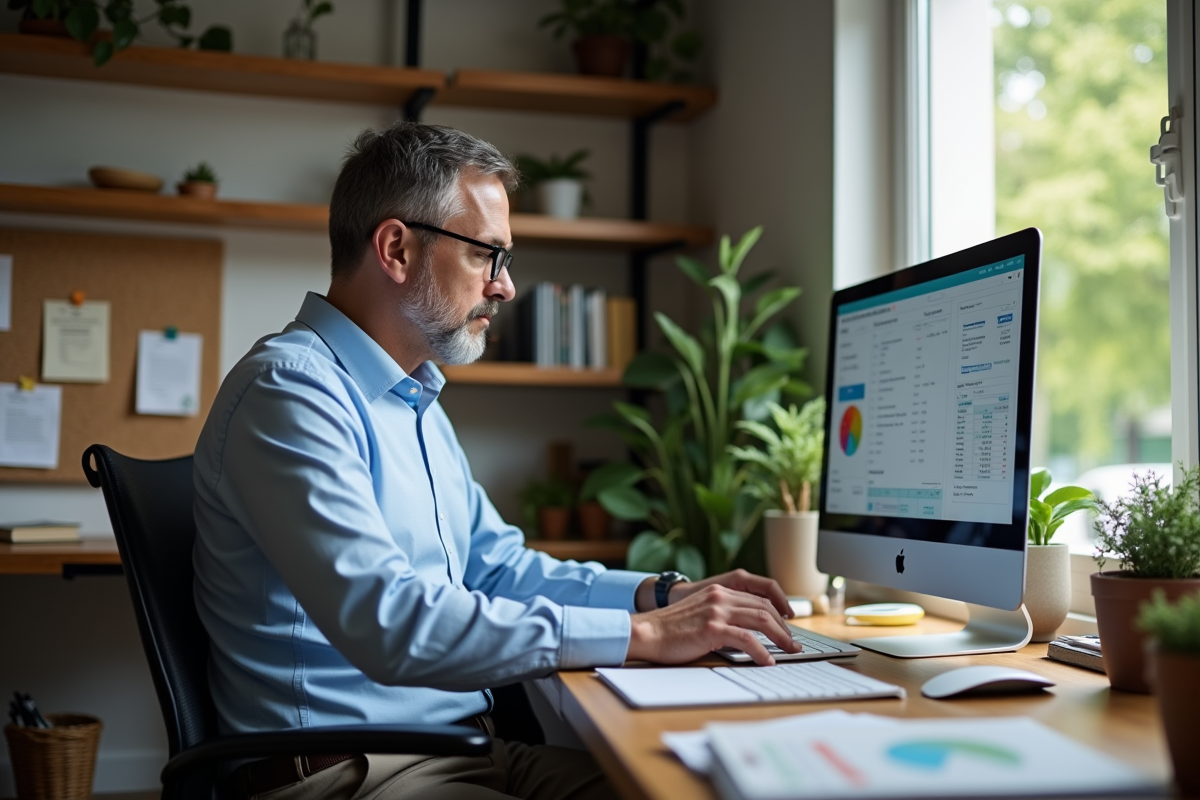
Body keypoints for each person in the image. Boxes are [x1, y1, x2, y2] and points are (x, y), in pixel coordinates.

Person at [193, 121, 800, 800]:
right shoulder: (291, 393)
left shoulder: (412, 395)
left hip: (463, 752)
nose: (504, 287)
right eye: (489, 255)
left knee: (704, 789)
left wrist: (661, 596)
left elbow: (497, 569)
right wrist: (640, 635)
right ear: (395, 248)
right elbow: (391, 622)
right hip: (348, 775)